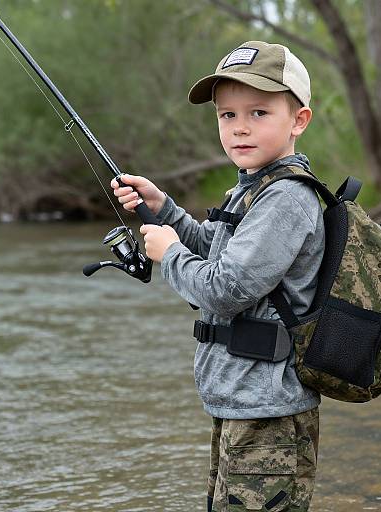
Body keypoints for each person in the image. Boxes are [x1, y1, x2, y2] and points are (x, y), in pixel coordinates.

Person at [111, 40, 324, 512]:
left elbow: (226, 290)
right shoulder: (252, 188)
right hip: (239, 402)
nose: (240, 127)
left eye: (259, 113)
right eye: (227, 115)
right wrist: (163, 209)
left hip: (268, 413)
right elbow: (213, 246)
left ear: (299, 121)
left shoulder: (286, 199)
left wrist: (168, 256)